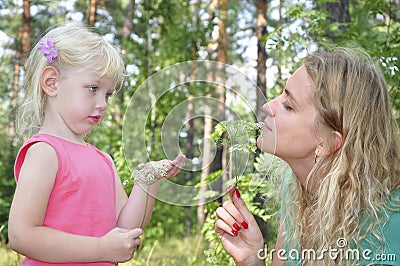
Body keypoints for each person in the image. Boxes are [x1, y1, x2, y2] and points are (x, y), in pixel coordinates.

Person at [8, 25, 185, 265]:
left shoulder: (103, 160)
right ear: (52, 83)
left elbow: (124, 229)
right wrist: (101, 248)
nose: (102, 103)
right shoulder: (45, 152)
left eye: (108, 94)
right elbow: (22, 236)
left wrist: (147, 181)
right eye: (93, 88)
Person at [214, 48, 400, 265]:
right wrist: (252, 258)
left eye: (288, 105)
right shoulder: (296, 193)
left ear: (327, 141)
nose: (267, 106)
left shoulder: (388, 229)